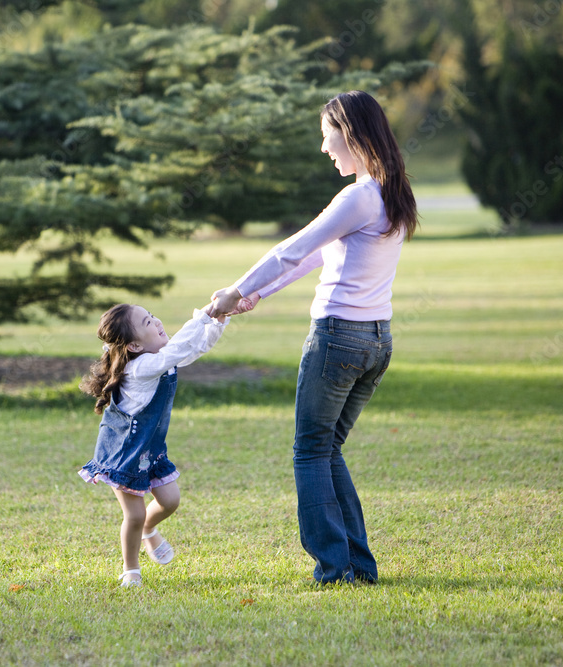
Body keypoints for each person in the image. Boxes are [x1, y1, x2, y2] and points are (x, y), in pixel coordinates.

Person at [206, 90, 418, 584]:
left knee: (309, 450)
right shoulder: (390, 192)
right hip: (376, 342)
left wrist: (232, 291)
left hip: (337, 340)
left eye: (328, 138)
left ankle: (334, 567)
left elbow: (291, 247)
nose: (324, 148)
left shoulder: (359, 195)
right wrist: (254, 295)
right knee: (327, 450)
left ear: (353, 135)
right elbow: (313, 257)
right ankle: (357, 567)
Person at [79, 303, 229, 588]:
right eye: (147, 323)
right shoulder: (143, 368)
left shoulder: (159, 357)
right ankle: (131, 570)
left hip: (149, 449)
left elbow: (193, 349)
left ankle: (149, 528)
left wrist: (218, 322)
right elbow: (179, 349)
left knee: (170, 501)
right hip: (123, 452)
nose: (157, 321)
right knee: (133, 514)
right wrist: (203, 316)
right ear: (135, 345)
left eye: (152, 316)